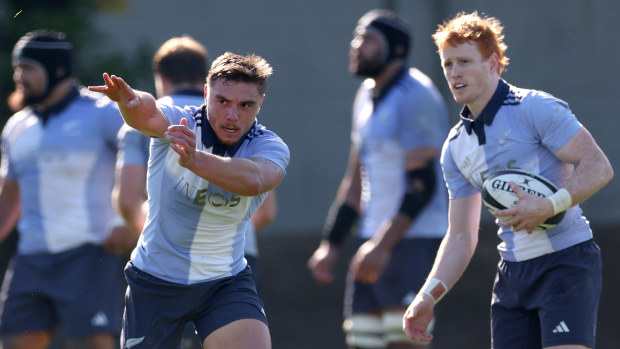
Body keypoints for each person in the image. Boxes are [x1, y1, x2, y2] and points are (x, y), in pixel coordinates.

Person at [403, 11, 614, 349]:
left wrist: (548, 206)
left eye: (464, 62)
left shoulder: (535, 108)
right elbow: (460, 236)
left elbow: (599, 166)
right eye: (447, 64)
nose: (454, 73)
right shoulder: (455, 148)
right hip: (512, 276)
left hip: (566, 262)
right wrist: (428, 295)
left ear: (493, 64)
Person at [89, 51, 289, 349]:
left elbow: (255, 180)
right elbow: (147, 113)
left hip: (225, 281)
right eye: (223, 101)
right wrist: (129, 102)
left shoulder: (269, 146)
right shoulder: (180, 120)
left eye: (245, 105)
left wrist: (195, 160)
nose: (232, 116)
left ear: (260, 104)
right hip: (156, 280)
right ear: (206, 93)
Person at [307, 9, 449, 349]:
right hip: (370, 241)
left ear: (397, 49)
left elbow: (423, 184)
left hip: (411, 241)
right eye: (357, 37)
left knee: (404, 343)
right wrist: (332, 244)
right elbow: (355, 183)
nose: (357, 45)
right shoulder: (365, 97)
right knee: (362, 341)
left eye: (369, 39)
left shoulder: (417, 94)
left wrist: (382, 246)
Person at [113, 36, 278, 297]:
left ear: (161, 79)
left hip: (169, 263)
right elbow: (266, 211)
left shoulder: (152, 119)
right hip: (237, 259)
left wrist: (173, 234)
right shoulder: (242, 121)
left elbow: (127, 201)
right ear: (205, 80)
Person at [0, 29, 128, 349]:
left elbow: (145, 166)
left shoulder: (104, 113)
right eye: (17, 68)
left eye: (27, 68)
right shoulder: (16, 127)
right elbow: (8, 202)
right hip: (30, 258)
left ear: (57, 69)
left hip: (90, 256)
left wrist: (128, 220)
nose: (19, 76)